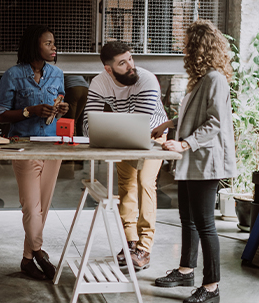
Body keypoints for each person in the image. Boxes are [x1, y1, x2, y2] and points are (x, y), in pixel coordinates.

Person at [151, 19, 236, 303]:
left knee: (205, 223)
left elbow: (215, 123)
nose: (184, 48)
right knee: (187, 218)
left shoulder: (215, 79)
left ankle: (212, 287)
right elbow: (194, 115)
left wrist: (185, 142)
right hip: (192, 160)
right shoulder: (201, 78)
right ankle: (186, 270)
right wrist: (168, 124)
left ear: (200, 47)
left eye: (187, 44)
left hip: (206, 160)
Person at [82, 41, 168, 270]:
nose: (131, 65)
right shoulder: (100, 82)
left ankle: (144, 247)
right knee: (126, 185)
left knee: (145, 181)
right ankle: (130, 243)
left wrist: (109, 132)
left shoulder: (147, 79)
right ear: (108, 69)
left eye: (130, 58)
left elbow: (141, 123)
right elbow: (87, 122)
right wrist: (98, 135)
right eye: (122, 63)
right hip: (124, 136)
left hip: (153, 136)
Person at [0, 24, 68, 280]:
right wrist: (31, 110)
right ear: (33, 46)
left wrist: (59, 109)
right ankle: (37, 251)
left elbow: (58, 103)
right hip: (23, 144)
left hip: (52, 144)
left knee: (43, 206)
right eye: (48, 43)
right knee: (31, 206)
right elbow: (2, 115)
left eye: (53, 42)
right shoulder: (13, 75)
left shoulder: (57, 73)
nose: (54, 47)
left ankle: (27, 260)